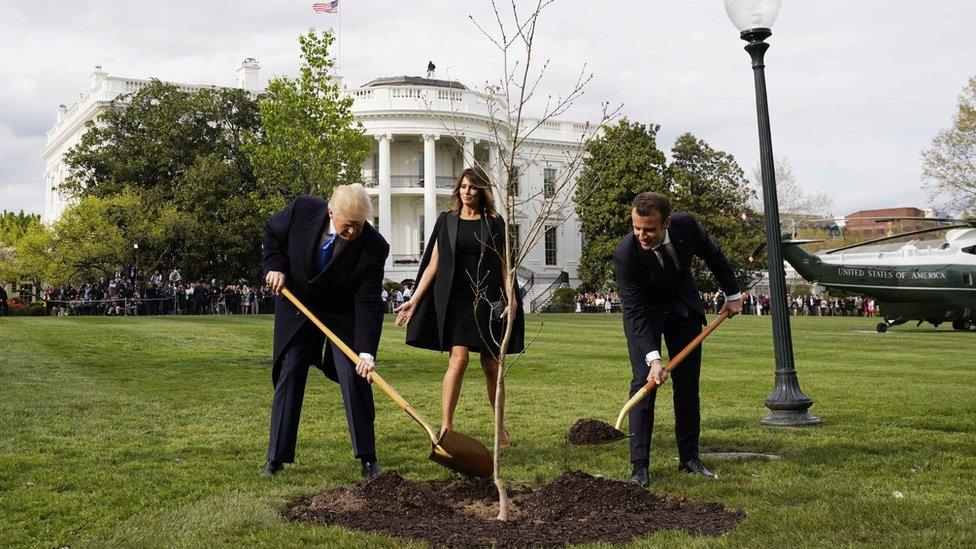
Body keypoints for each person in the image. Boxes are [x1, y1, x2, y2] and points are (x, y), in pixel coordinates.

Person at [260, 184, 389, 478]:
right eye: (347, 226)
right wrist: (275, 266)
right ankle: (276, 458)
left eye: (359, 226)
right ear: (332, 212)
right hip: (298, 305)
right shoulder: (302, 209)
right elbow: (273, 233)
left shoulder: (374, 247)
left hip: (341, 313)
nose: (354, 232)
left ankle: (368, 457)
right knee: (290, 369)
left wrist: (366, 352)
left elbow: (368, 301)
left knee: (354, 372)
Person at [614, 192, 742, 487]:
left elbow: (714, 256)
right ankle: (639, 468)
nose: (642, 235)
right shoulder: (626, 254)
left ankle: (689, 458)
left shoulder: (686, 226)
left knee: (687, 384)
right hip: (645, 314)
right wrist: (653, 358)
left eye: (649, 229)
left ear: (667, 223)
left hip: (683, 308)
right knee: (644, 383)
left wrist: (732, 295)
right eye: (636, 228)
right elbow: (634, 312)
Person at [394, 166, 524, 446]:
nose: (467, 192)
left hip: (487, 299)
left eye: (473, 187)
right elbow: (433, 264)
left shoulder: (494, 222)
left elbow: (504, 263)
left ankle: (500, 428)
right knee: (459, 360)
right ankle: (447, 427)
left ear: (481, 191)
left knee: (491, 365)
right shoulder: (447, 221)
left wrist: (511, 295)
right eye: (463, 187)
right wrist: (414, 299)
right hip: (457, 301)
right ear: (458, 189)